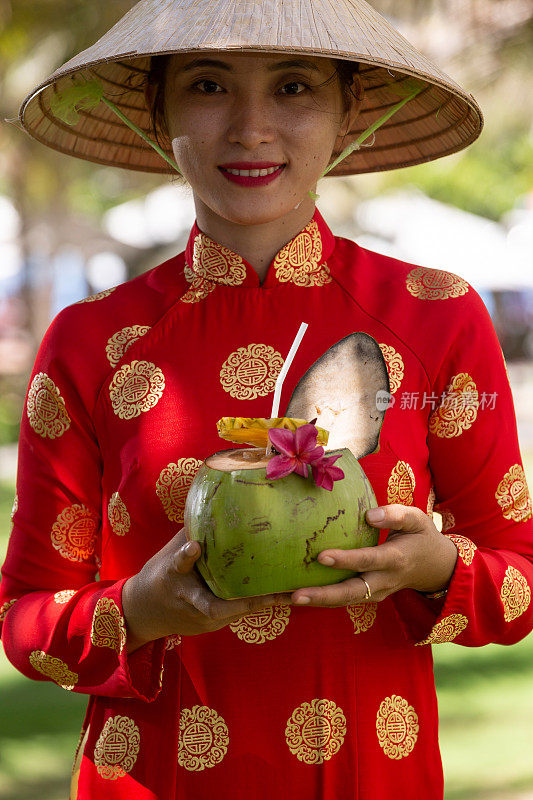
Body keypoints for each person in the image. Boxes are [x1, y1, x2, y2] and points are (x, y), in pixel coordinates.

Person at [1, 1, 532, 798]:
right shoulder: (90, 341)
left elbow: (518, 584)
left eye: (294, 87)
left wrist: (432, 568)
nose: (250, 128)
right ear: (160, 110)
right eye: (209, 85)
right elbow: (26, 620)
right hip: (149, 778)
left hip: (369, 776)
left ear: (347, 110)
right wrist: (138, 611)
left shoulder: (435, 315)